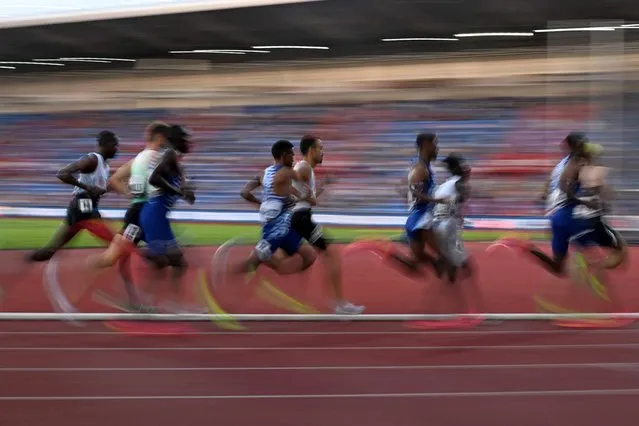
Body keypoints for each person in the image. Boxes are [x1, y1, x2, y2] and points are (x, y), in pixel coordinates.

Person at [86, 121, 170, 308]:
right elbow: (113, 180)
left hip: (144, 213)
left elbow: (114, 179)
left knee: (160, 258)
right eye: (166, 138)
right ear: (159, 137)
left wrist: (130, 193)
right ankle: (82, 271)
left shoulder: (139, 160)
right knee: (113, 258)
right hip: (139, 214)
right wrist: (132, 195)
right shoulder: (151, 158)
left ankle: (140, 300)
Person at [289, 135, 364, 314]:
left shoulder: (307, 169)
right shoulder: (304, 167)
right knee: (332, 254)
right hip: (301, 218)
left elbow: (307, 196)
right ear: (311, 150)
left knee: (294, 257)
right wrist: (303, 195)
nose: (323, 152)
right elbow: (295, 184)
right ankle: (339, 303)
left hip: (300, 217)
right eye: (320, 148)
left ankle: (334, 302)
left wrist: (321, 187)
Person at [499, 132, 589, 275]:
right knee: (592, 238)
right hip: (566, 212)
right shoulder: (577, 163)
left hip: (556, 213)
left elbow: (549, 183)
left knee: (558, 269)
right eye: (583, 143)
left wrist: (544, 194)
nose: (586, 146)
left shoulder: (561, 164)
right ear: (576, 145)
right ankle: (583, 257)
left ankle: (528, 248)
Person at [27, 131, 120, 262]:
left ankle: (24, 261)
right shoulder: (92, 159)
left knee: (49, 251)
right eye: (115, 145)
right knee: (117, 242)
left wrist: (108, 189)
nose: (117, 149)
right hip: (83, 206)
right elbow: (62, 173)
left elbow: (96, 190)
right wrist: (87, 188)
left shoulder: (105, 167)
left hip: (81, 208)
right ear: (107, 144)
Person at [237, 139, 317, 277]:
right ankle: (226, 274)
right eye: (291, 154)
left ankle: (273, 264)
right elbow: (301, 184)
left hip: (283, 224)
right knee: (252, 263)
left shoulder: (263, 173)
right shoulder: (288, 172)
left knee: (308, 256)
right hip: (277, 227)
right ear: (283, 155)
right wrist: (307, 195)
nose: (293, 158)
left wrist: (260, 204)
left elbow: (244, 193)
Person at [138, 124, 195, 305]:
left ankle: (146, 302)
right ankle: (172, 303)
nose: (189, 143)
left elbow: (183, 190)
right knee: (175, 263)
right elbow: (154, 178)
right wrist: (178, 191)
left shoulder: (177, 161)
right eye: (185, 140)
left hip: (158, 215)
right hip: (155, 213)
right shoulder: (170, 154)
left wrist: (187, 193)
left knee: (166, 264)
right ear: (176, 141)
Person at [385, 132, 448, 277]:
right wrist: (436, 200)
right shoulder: (420, 168)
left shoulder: (422, 166)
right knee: (444, 257)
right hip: (422, 220)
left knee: (416, 262)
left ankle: (393, 255)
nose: (437, 148)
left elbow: (410, 190)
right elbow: (413, 192)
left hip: (415, 220)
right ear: (426, 145)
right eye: (435, 144)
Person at [570, 143, 627, 293]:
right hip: (593, 220)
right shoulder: (599, 171)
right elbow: (604, 192)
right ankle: (596, 271)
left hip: (577, 218)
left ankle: (583, 261)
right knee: (620, 251)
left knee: (586, 245)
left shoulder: (578, 170)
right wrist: (611, 194)